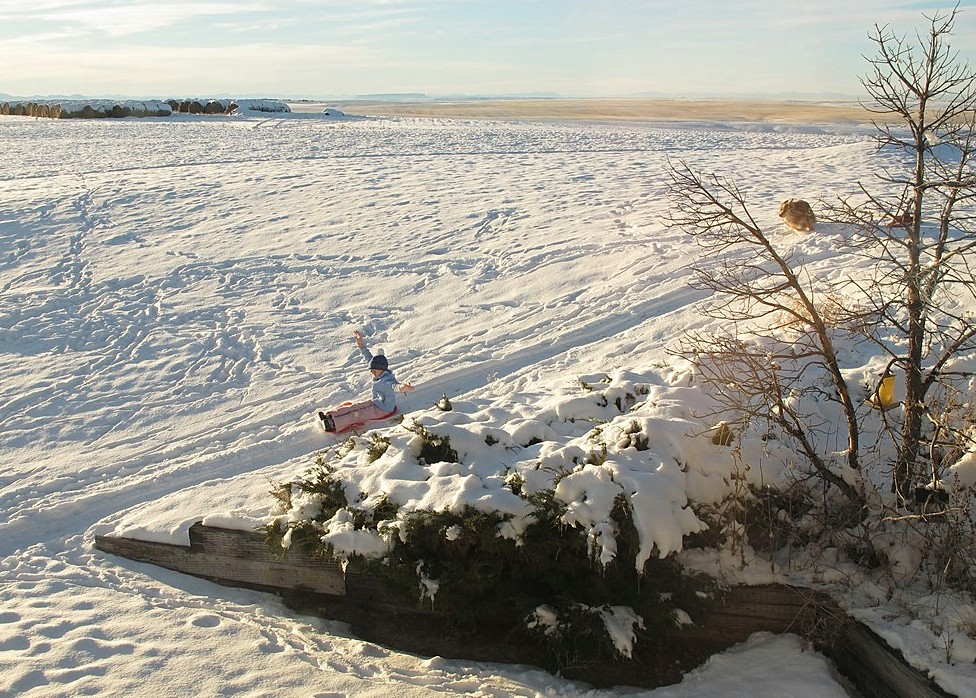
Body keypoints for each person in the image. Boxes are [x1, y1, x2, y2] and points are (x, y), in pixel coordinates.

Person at [318, 330, 413, 433]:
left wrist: (403, 387)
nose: (372, 372)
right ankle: (331, 416)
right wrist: (361, 345)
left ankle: (333, 424)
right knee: (354, 407)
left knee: (357, 415)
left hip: (383, 410)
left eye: (374, 370)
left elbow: (395, 387)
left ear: (381, 369)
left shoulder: (387, 381)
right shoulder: (378, 370)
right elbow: (368, 357)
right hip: (375, 402)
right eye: (371, 370)